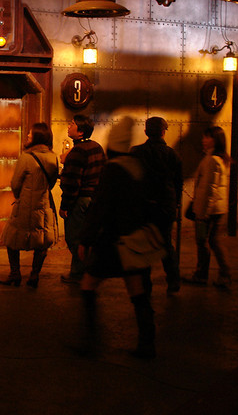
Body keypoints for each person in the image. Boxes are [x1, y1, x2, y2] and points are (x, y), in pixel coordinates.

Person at [75, 130, 157, 358]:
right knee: (137, 291)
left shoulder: (112, 169)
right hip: (134, 241)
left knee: (88, 285)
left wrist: (86, 239)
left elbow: (101, 207)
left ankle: (91, 341)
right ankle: (147, 344)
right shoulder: (137, 166)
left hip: (112, 242)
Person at [0, 123, 59, 288]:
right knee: (41, 242)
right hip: (44, 207)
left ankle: (15, 274)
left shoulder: (26, 157)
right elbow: (52, 183)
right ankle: (34, 275)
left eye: (30, 135)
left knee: (11, 239)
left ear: (36, 138)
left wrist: (20, 197)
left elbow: (15, 183)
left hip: (24, 206)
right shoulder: (53, 157)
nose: (27, 137)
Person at [130, 117, 183, 295]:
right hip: (165, 205)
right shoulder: (172, 155)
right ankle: (173, 280)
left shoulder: (136, 152)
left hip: (143, 206)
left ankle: (146, 285)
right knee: (166, 244)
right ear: (163, 132)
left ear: (146, 132)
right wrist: (175, 204)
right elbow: (178, 183)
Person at [59, 115, 107, 284]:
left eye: (72, 124)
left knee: (74, 238)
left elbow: (73, 182)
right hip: (93, 199)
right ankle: (86, 270)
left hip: (79, 201)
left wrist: (65, 205)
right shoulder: (97, 147)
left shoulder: (78, 152)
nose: (69, 126)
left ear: (80, 132)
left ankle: (80, 273)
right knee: (88, 237)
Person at [183, 125, 231, 288]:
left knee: (204, 241)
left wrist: (202, 213)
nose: (204, 140)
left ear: (216, 140)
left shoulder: (212, 160)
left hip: (207, 211)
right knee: (212, 241)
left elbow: (209, 189)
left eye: (208, 137)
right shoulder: (218, 159)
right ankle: (216, 274)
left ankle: (206, 274)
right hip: (216, 209)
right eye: (204, 137)